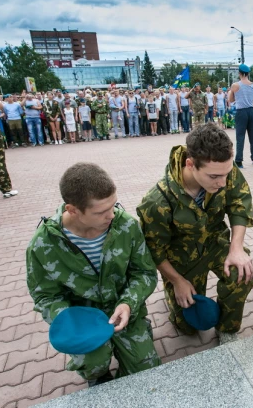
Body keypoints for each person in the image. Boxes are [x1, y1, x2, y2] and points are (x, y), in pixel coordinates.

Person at [26, 163, 160, 387]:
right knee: (93, 364)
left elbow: (145, 273)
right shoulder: (43, 244)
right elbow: (45, 296)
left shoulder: (126, 226)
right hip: (84, 320)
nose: (112, 215)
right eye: (101, 212)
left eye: (113, 205)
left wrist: (128, 303)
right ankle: (98, 371)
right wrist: (76, 322)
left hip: (125, 313)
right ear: (72, 210)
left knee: (147, 371)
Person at [136, 124, 253, 344]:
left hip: (215, 243)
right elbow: (154, 251)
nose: (222, 183)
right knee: (189, 326)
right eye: (214, 177)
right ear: (190, 164)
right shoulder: (157, 202)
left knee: (242, 272)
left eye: (226, 175)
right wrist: (177, 281)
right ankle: (171, 293)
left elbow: (239, 202)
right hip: (181, 260)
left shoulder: (222, 166)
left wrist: (236, 248)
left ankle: (227, 328)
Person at [229, 63, 253, 168]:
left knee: (240, 137)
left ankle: (239, 161)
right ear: (248, 73)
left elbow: (231, 100)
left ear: (240, 73)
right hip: (251, 111)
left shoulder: (235, 85)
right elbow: (251, 99)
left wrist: (231, 93)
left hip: (241, 112)